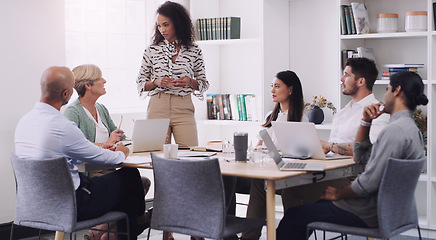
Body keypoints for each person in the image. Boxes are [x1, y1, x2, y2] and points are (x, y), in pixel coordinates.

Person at [242, 57, 389, 240]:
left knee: (291, 189)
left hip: (350, 178)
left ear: (361, 81)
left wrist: (329, 145)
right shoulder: (344, 112)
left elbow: (372, 150)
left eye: (346, 75)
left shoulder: (376, 111)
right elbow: (333, 149)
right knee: (264, 183)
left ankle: (290, 234)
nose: (341, 79)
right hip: (328, 172)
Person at [276, 71, 428, 240]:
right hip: (396, 211)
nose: (384, 96)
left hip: (369, 213)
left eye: (387, 89)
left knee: (295, 216)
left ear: (397, 90)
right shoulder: (410, 129)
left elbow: (369, 182)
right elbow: (361, 157)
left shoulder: (394, 132)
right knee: (300, 207)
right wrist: (366, 122)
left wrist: (339, 194)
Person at [15, 66, 147, 240]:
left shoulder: (25, 122)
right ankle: (139, 220)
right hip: (72, 204)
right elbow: (103, 159)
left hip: (34, 206)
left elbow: (78, 151)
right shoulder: (62, 125)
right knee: (130, 176)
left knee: (127, 198)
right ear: (65, 94)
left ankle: (118, 229)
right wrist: (122, 152)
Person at [64, 64, 152, 239]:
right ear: (88, 85)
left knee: (143, 182)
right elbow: (78, 147)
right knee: (132, 183)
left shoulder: (101, 109)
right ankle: (124, 227)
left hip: (109, 167)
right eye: (100, 78)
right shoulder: (72, 113)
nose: (104, 81)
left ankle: (103, 230)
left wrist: (126, 140)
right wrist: (106, 143)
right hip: (90, 174)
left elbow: (119, 135)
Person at [224, 70, 306, 216]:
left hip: (284, 174)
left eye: (277, 86)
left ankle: (251, 235)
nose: (272, 90)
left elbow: (299, 153)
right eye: (272, 86)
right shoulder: (270, 115)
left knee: (260, 182)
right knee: (227, 179)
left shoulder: (301, 118)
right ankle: (231, 233)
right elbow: (259, 146)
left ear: (291, 89)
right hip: (264, 169)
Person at [136, 0, 209, 148]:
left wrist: (190, 82)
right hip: (158, 106)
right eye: (159, 25)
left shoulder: (194, 50)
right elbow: (141, 83)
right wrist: (156, 82)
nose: (162, 29)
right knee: (156, 157)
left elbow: (203, 84)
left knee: (191, 155)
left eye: (166, 24)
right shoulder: (152, 50)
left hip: (184, 108)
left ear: (178, 23)